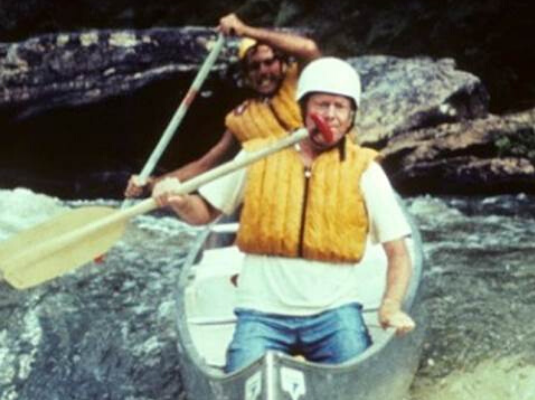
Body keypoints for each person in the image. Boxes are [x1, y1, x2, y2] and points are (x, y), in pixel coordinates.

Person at [153, 57, 416, 373]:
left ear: (351, 117)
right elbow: (203, 213)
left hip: (334, 313)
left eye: (340, 107)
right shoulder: (257, 154)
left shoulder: (365, 169)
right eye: (322, 104)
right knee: (239, 376)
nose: (330, 115)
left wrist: (390, 306)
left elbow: (398, 254)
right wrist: (179, 200)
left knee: (355, 376)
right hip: (261, 315)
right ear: (304, 108)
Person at [125, 13, 321, 198]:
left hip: (324, 177)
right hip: (282, 192)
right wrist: (152, 184)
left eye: (269, 62)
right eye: (254, 67)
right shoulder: (241, 117)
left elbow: (309, 48)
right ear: (246, 77)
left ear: (283, 64)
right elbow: (204, 166)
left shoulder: (302, 80)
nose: (263, 71)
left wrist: (245, 30)